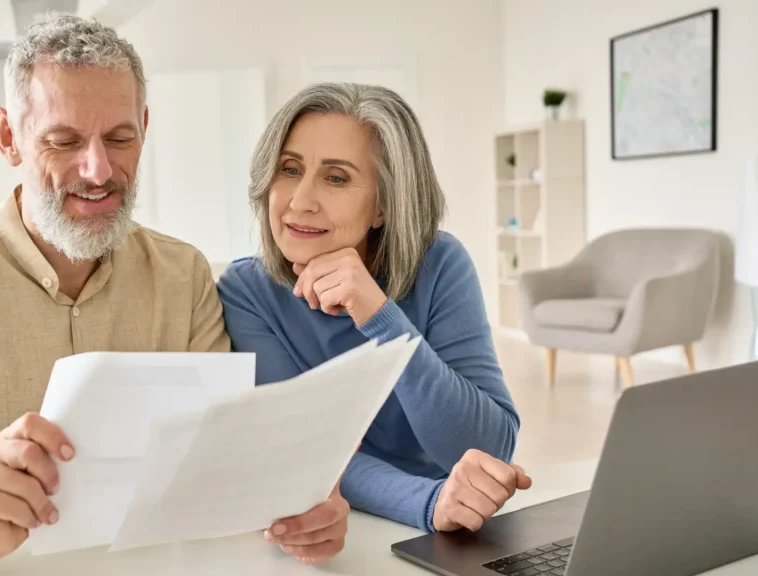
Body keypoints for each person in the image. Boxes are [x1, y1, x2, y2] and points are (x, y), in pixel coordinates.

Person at [0, 16, 347, 576]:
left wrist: (296, 506)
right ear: (9, 137)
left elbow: (222, 461)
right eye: (63, 141)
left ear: (145, 128)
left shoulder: (184, 276)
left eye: (120, 138)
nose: (99, 169)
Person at [218, 82, 532, 537]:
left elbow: (488, 447)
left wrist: (381, 318)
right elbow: (303, 449)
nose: (300, 201)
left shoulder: (440, 263)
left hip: (445, 529)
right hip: (332, 527)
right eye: (289, 169)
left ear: (383, 205)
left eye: (336, 177)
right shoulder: (246, 290)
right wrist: (427, 502)